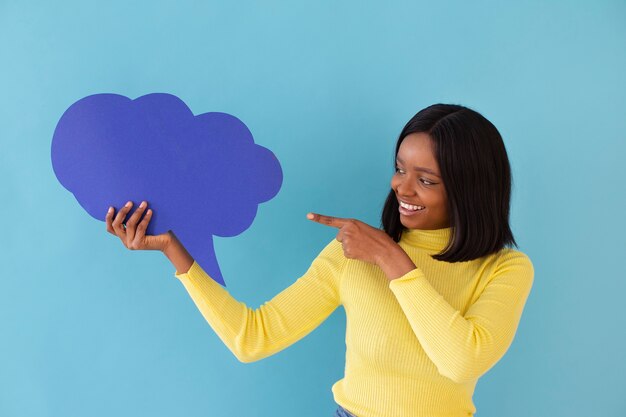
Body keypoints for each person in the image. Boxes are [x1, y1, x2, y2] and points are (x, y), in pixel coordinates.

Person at [105, 103, 534, 417]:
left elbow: (461, 360)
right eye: (400, 168)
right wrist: (174, 251)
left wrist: (393, 258)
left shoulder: (504, 270)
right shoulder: (351, 255)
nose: (402, 188)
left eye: (426, 180)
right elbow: (253, 337)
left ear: (470, 189)